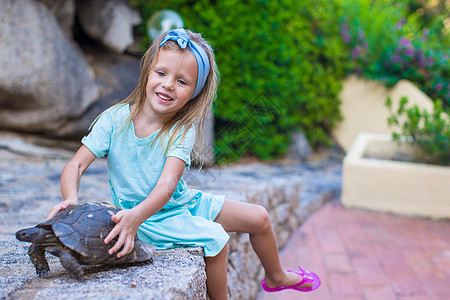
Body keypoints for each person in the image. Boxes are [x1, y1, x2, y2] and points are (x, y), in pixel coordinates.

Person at [46, 29, 320, 299]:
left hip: (179, 202)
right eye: (161, 73)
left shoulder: (181, 129)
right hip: (147, 216)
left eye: (182, 81)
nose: (167, 85)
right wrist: (70, 198)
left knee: (259, 217)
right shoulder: (114, 120)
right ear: (147, 72)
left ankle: (276, 276)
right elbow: (76, 166)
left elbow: (168, 185)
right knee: (215, 240)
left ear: (193, 92)